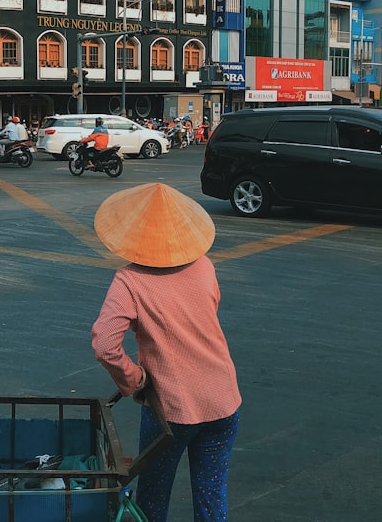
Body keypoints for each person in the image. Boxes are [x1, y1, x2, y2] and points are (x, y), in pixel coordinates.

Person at [91, 183, 241, 522]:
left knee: (154, 500)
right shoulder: (204, 266)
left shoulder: (129, 280)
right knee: (211, 497)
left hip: (171, 411)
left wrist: (135, 379)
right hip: (223, 401)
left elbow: (104, 345)